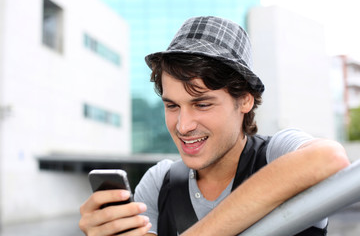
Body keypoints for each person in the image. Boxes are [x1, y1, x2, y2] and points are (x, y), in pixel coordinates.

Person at [79, 16, 349, 236]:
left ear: (244, 100)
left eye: (202, 104)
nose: (183, 126)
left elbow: (329, 158)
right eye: (172, 105)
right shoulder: (159, 182)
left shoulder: (277, 154)